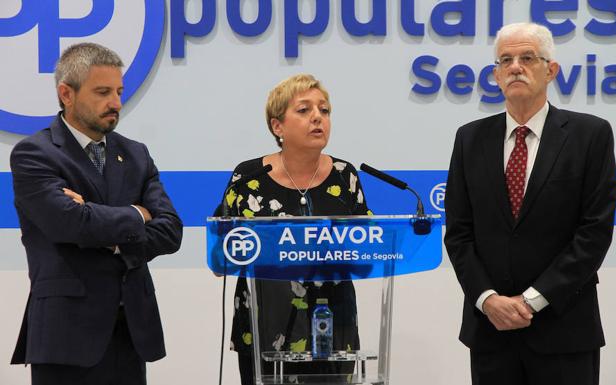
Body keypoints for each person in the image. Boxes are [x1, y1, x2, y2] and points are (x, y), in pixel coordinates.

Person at [444, 22, 616, 385]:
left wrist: (532, 300)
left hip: (564, 329)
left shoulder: (590, 135)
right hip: (491, 333)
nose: (515, 67)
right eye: (505, 60)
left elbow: (593, 234)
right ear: (495, 75)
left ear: (551, 70)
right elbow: (459, 234)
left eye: (527, 58)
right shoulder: (469, 139)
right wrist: (488, 299)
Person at [9, 43, 183, 385]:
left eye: (118, 91)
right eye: (103, 92)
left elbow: (171, 230)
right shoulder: (34, 154)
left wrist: (100, 226)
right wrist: (136, 213)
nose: (116, 103)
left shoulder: (136, 155)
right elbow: (70, 224)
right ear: (66, 94)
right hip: (66, 335)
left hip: (131, 332)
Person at [219, 74, 371, 384]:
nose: (318, 117)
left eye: (324, 110)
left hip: (333, 327)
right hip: (265, 326)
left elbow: (367, 249)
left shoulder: (344, 176)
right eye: (304, 110)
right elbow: (221, 253)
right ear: (278, 126)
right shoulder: (248, 178)